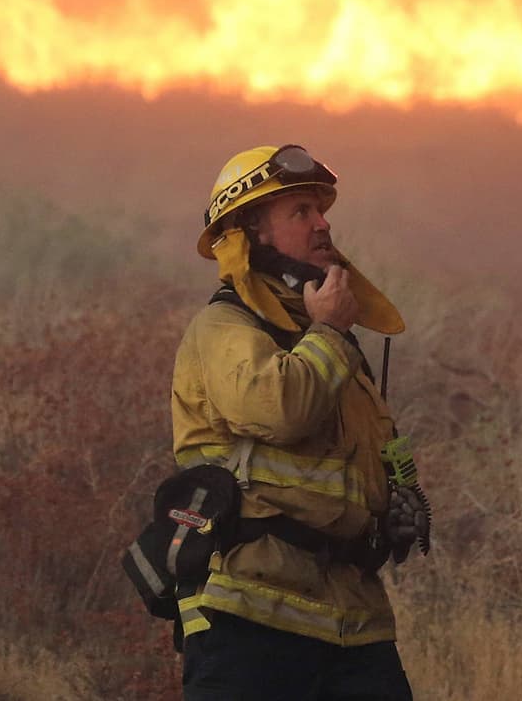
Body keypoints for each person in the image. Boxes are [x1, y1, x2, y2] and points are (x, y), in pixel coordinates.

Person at [171, 145, 430, 700]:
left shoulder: (335, 351)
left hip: (355, 627)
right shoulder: (224, 328)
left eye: (321, 209)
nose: (323, 223)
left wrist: (394, 510)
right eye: (301, 212)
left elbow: (363, 461)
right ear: (249, 233)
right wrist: (332, 333)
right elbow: (278, 409)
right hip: (249, 619)